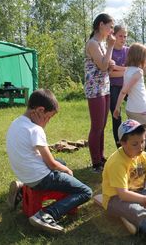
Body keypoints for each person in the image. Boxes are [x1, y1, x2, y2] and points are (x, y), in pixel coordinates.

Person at [6, 89, 92, 233]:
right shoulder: (35, 130)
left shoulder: (16, 122)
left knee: (61, 162)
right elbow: (51, 163)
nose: (48, 121)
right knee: (85, 191)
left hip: (24, 174)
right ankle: (47, 215)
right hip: (40, 178)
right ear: (40, 110)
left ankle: (22, 188)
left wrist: (61, 166)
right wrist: (67, 171)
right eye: (48, 117)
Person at [113, 43, 146, 168]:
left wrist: (118, 107)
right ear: (140, 58)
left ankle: (136, 164)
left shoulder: (128, 70)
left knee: (135, 138)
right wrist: (117, 107)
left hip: (131, 109)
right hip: (140, 112)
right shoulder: (138, 72)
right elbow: (125, 90)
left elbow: (124, 91)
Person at [84, 13, 116, 172]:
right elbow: (103, 66)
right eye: (110, 27)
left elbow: (105, 65)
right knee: (96, 126)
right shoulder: (93, 43)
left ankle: (101, 157)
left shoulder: (102, 43)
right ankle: (95, 162)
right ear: (101, 25)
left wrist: (110, 62)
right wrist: (110, 48)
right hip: (94, 89)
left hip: (104, 87)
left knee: (102, 125)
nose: (112, 30)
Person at [109, 25, 129, 148]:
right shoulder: (109, 51)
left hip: (129, 86)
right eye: (120, 36)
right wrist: (127, 70)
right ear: (114, 36)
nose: (123, 38)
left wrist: (118, 68)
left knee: (137, 112)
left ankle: (138, 141)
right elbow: (109, 73)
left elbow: (136, 69)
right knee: (116, 116)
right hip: (114, 87)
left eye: (125, 36)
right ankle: (120, 146)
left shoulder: (129, 51)